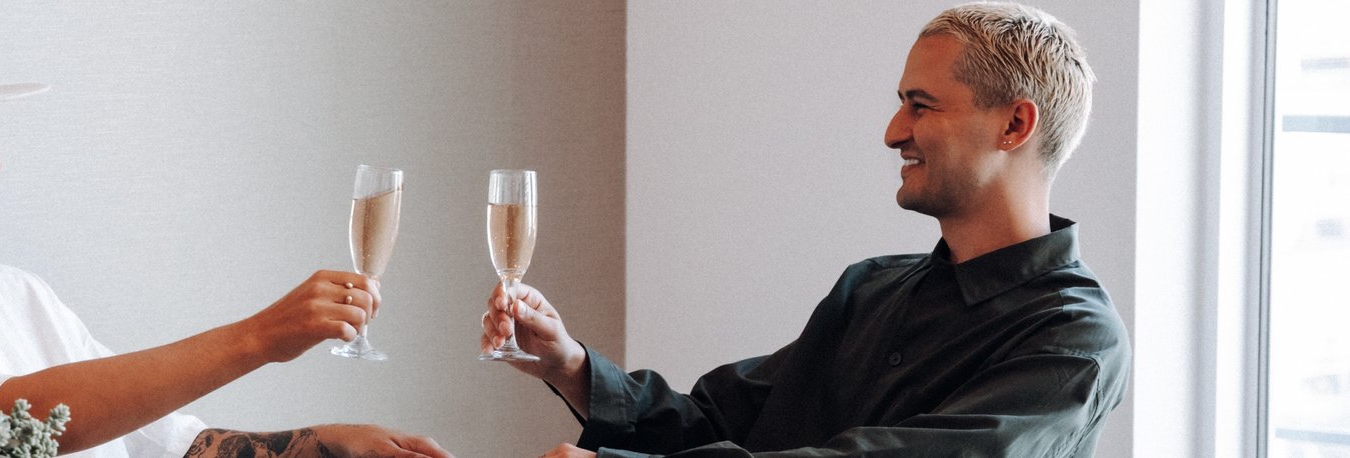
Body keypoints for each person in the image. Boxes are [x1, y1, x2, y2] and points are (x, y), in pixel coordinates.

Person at [0, 10, 450, 458]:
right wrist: (258, 338)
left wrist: (322, 447)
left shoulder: (16, 294)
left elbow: (175, 444)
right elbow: (11, 425)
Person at [481, 3, 1128, 457]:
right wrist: (568, 366)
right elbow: (719, 422)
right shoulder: (871, 289)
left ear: (1014, 126)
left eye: (921, 105)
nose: (893, 132)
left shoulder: (1075, 340)